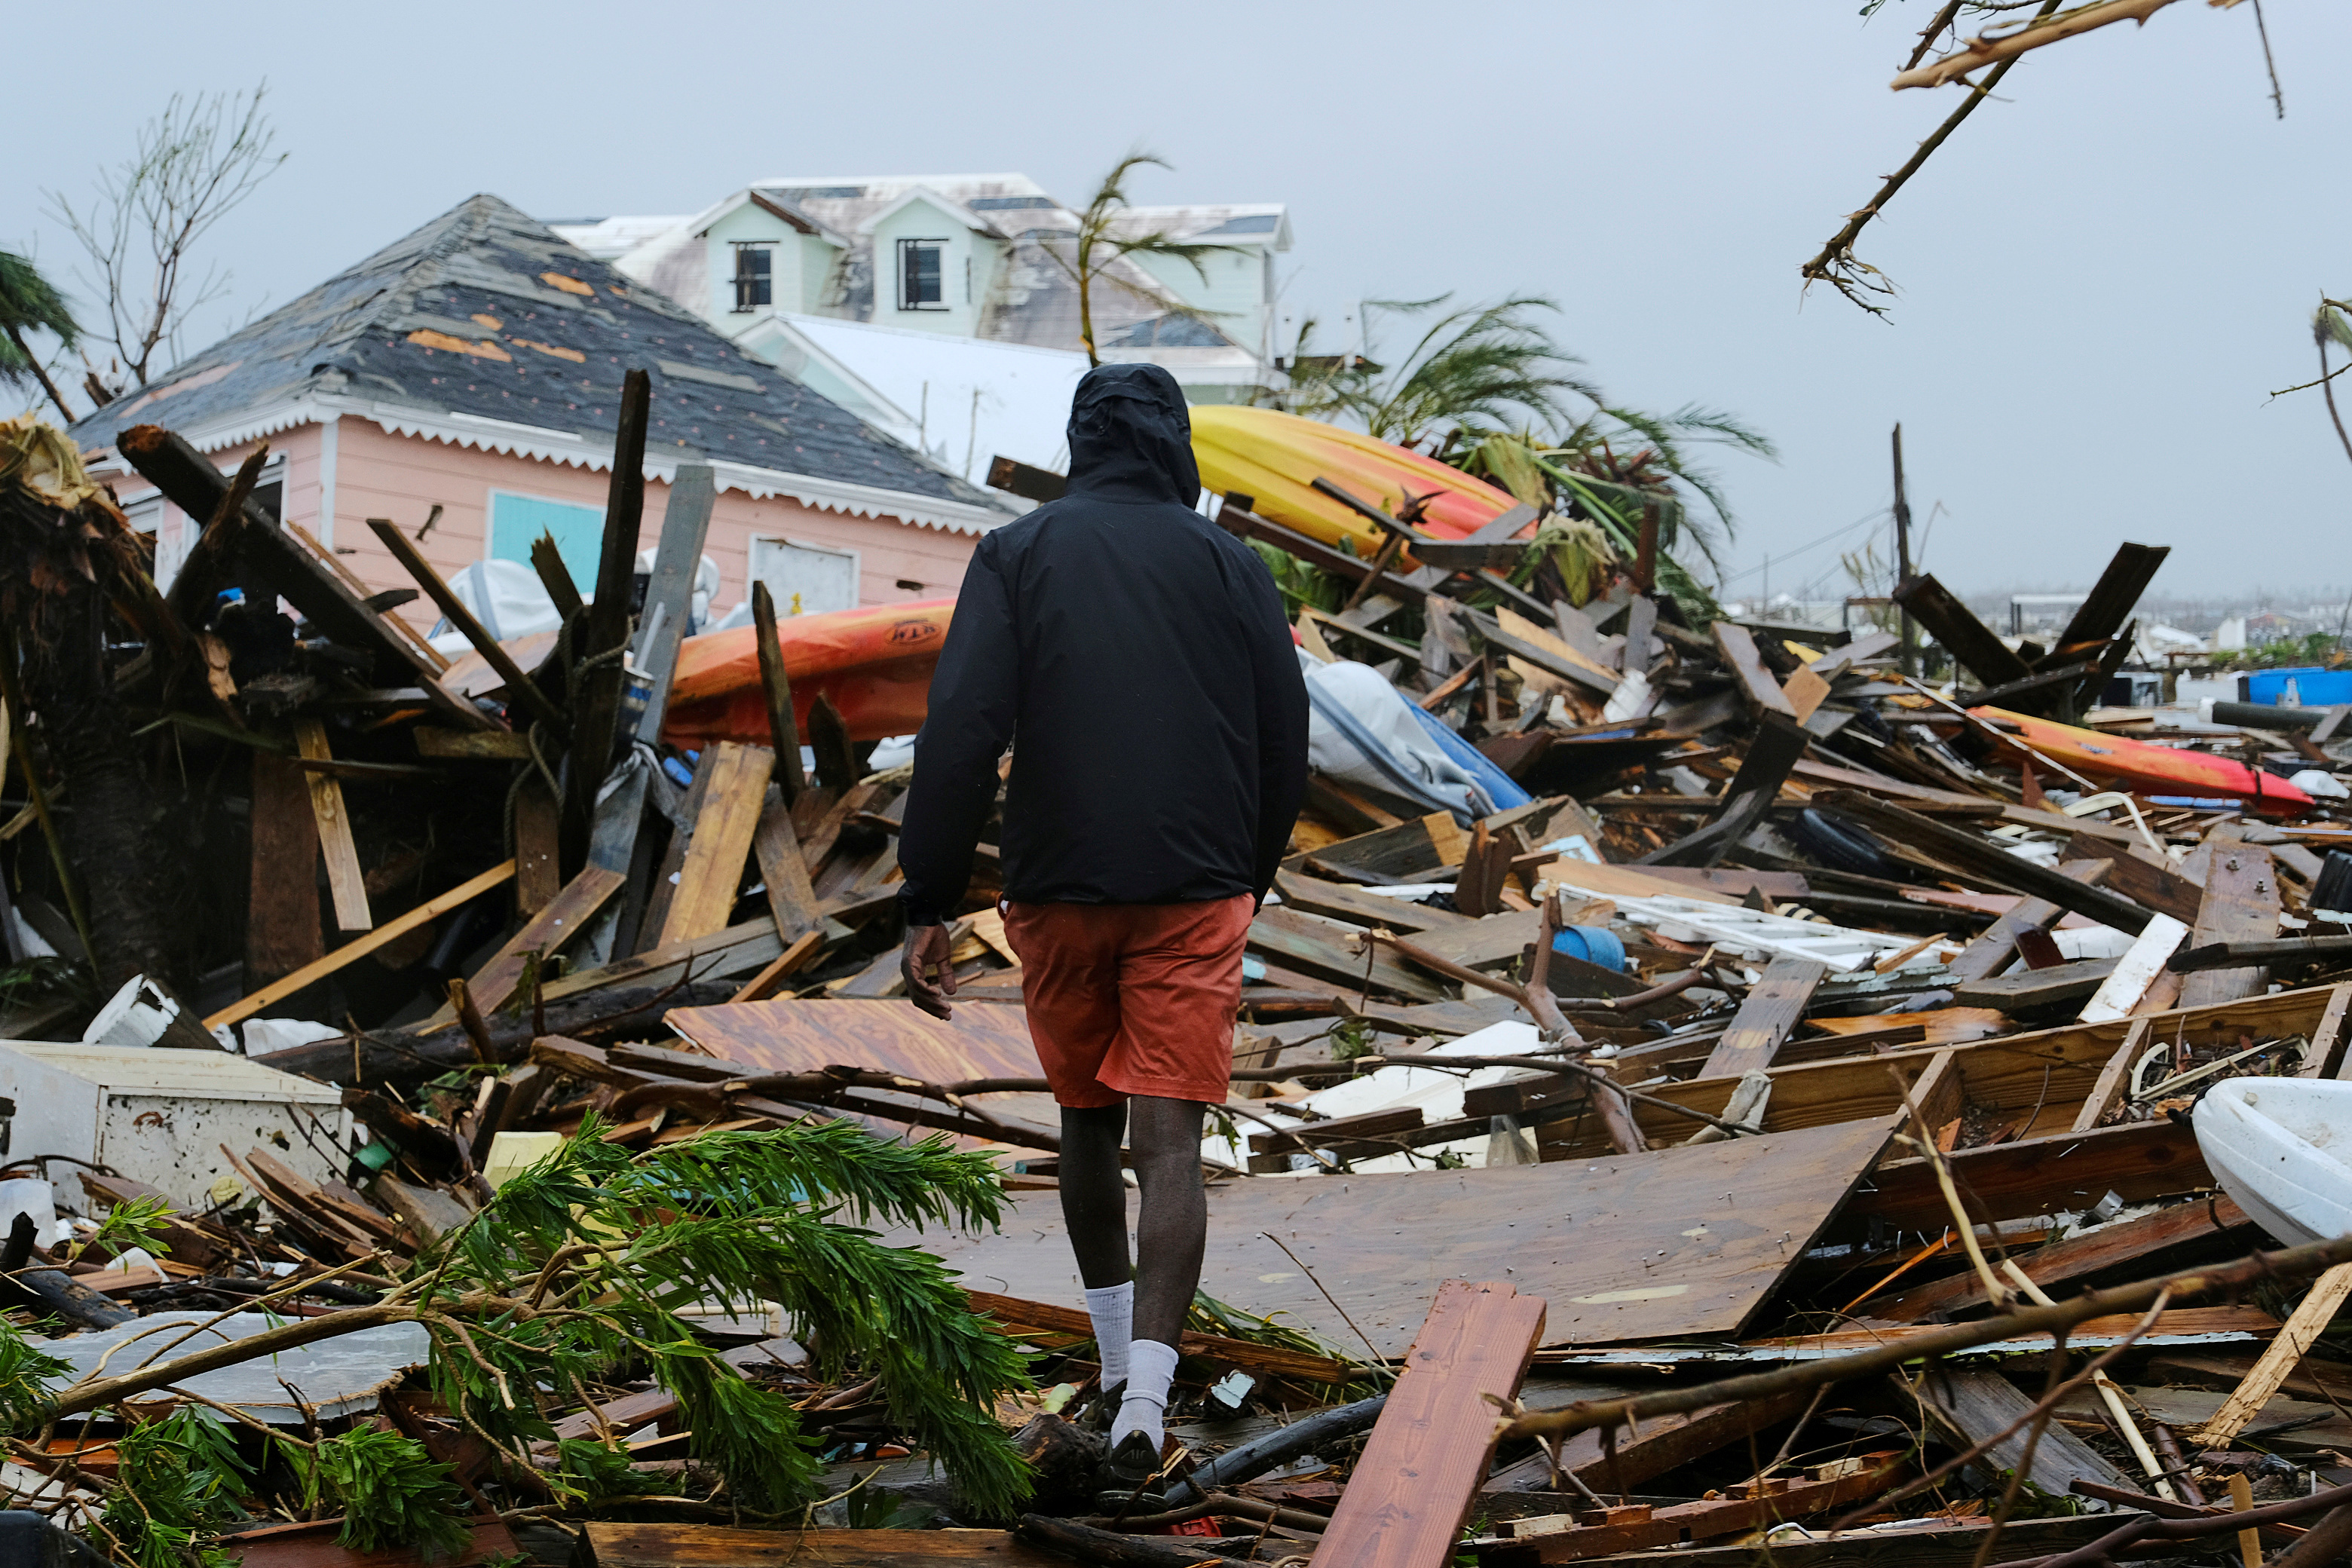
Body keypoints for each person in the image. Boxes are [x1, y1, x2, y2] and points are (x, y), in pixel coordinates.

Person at [895, 362, 1308, 1505]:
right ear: (1176, 441)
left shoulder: (1020, 553)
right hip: (1196, 888)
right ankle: (1147, 1400)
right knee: (1169, 1144)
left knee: (1086, 1122)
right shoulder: (1232, 562)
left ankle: (1113, 1356)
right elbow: (1286, 736)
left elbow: (963, 726)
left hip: (1061, 884)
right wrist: (1250, 874)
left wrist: (927, 894)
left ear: (1080, 439)